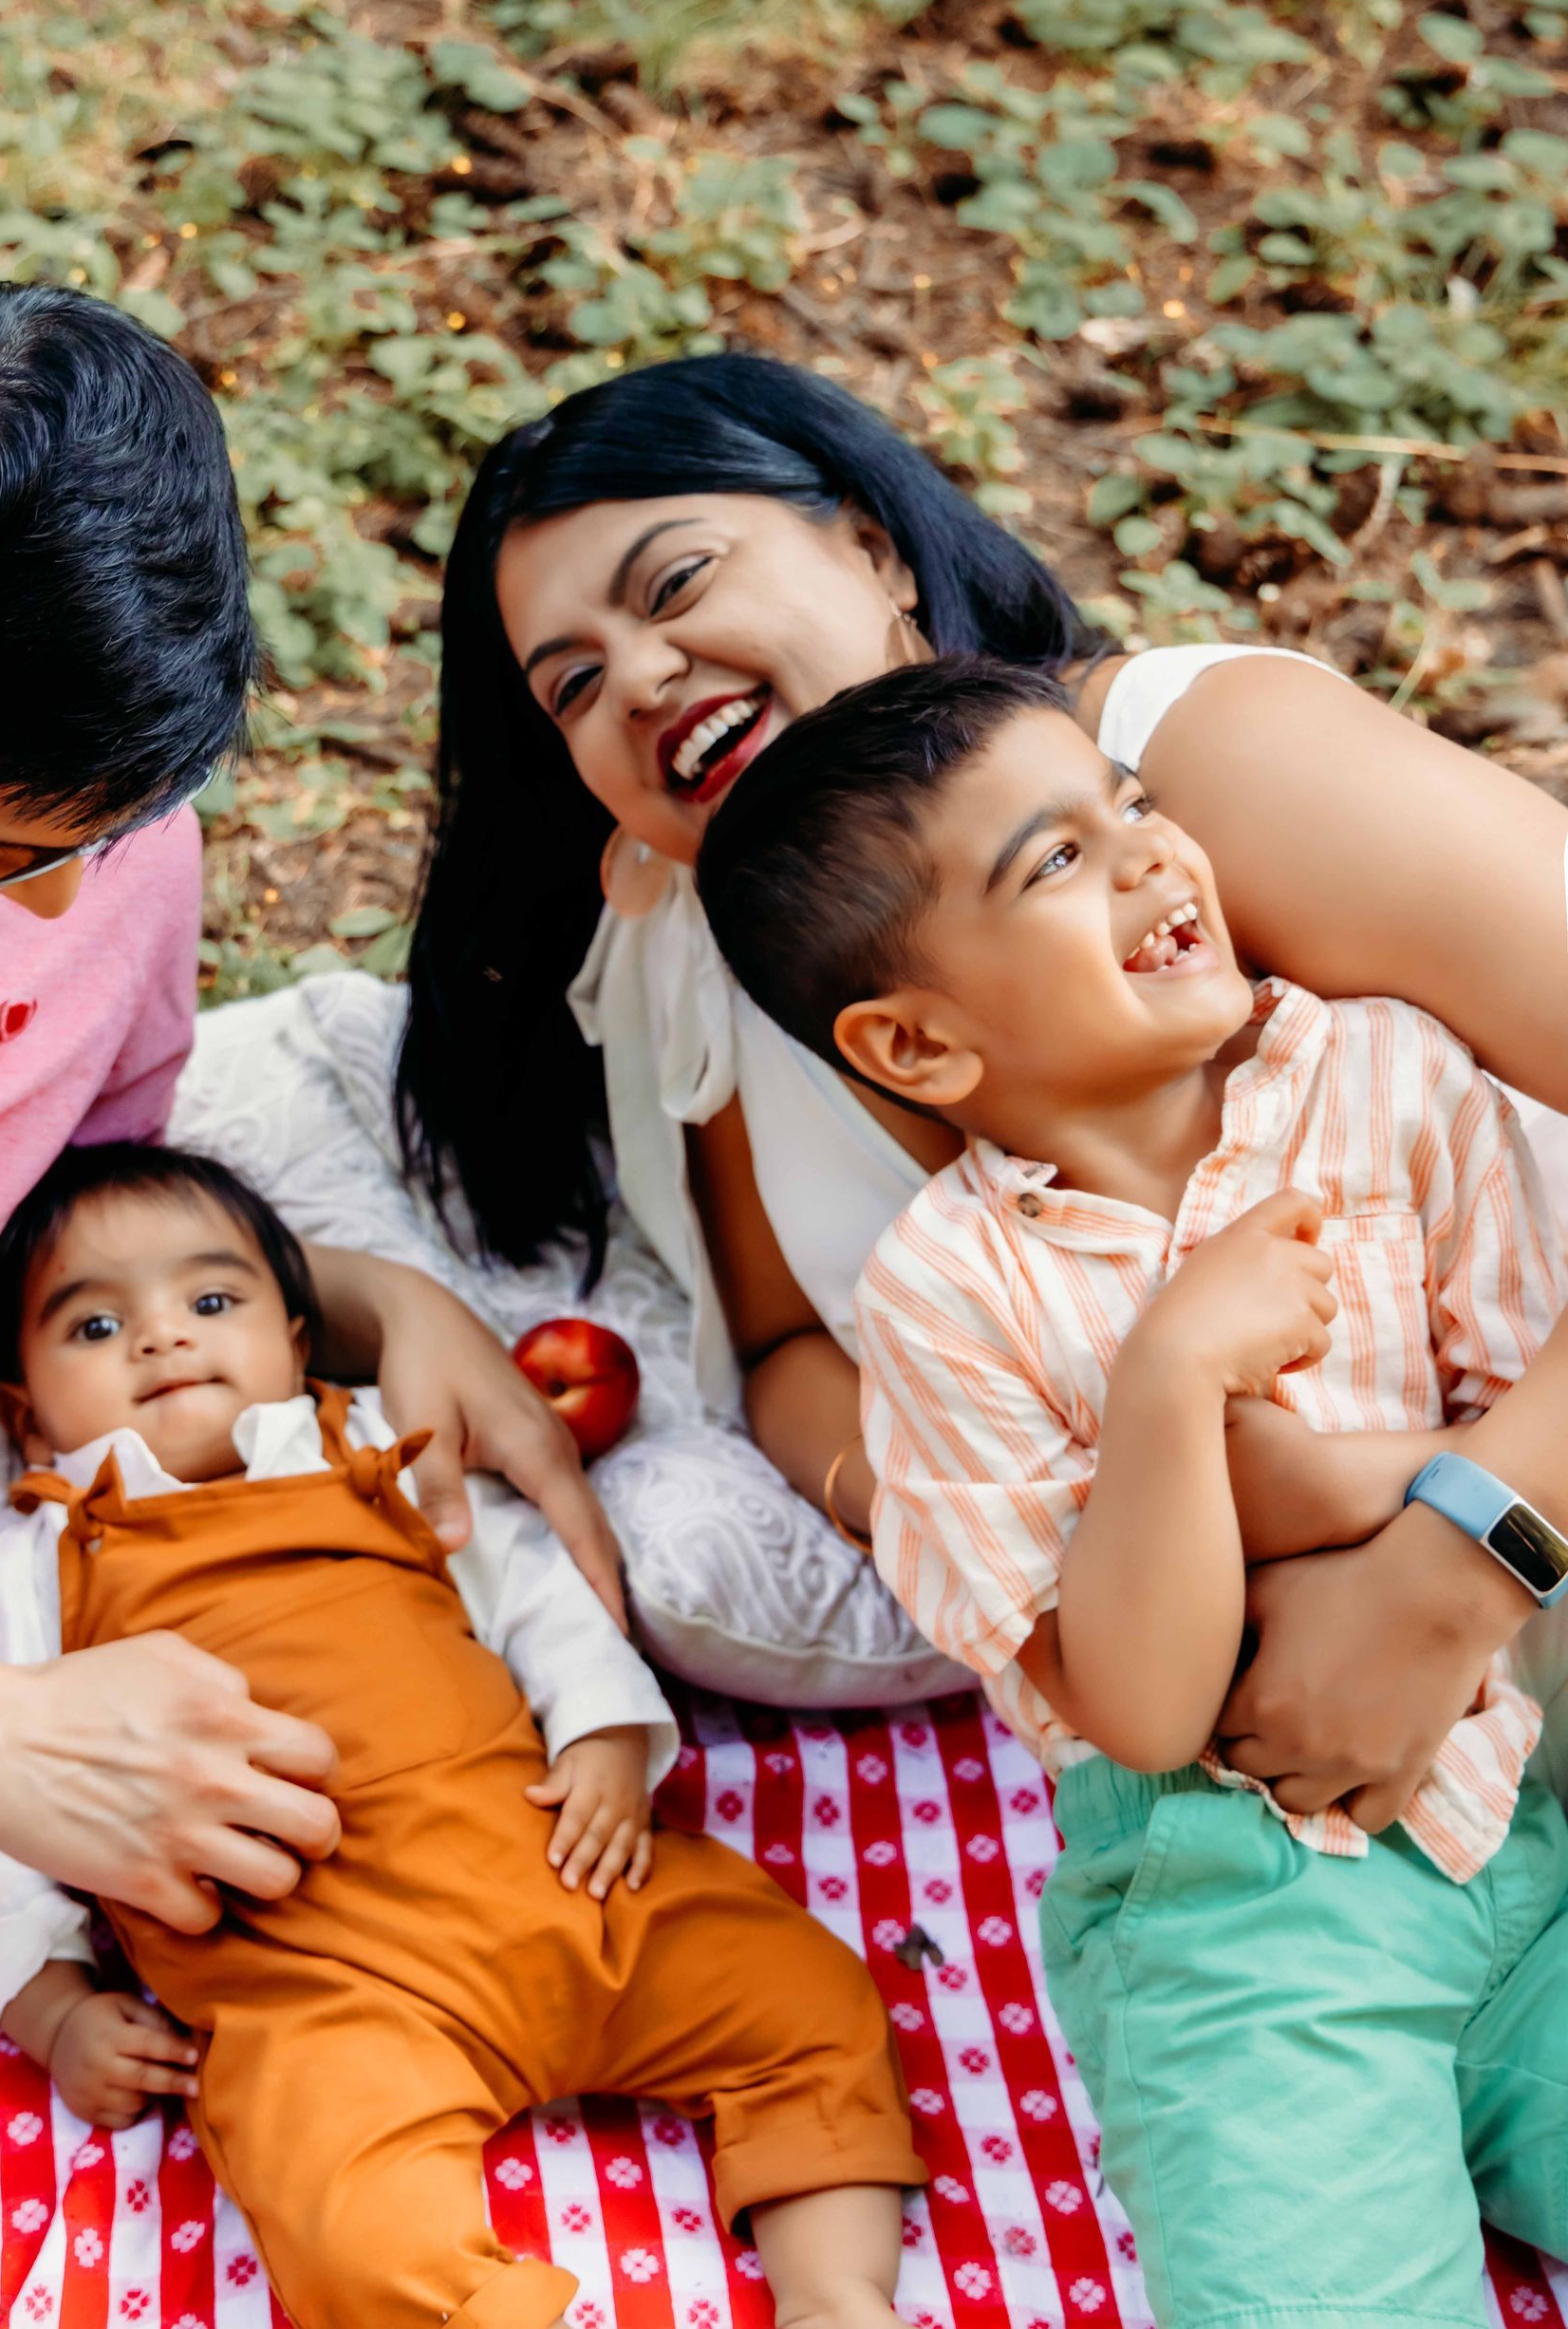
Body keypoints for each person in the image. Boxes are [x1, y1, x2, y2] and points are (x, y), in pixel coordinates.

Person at [399, 347, 1568, 1793]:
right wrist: (1039, 1551)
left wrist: (1460, 1565)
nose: (637, 677)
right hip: (1227, 1742)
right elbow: (786, 1353)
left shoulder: (1177, 780)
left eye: (676, 583)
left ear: (875, 549)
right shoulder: (713, 950)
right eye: (571, 682)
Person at [696, 655, 1568, 2328]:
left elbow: (1535, 1417)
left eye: (1140, 810)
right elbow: (1151, 1705)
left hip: (1518, 1834)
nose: (1158, 859)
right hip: (1236, 1930)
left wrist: (1314, 1481)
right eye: (1061, 859)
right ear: (914, 1040)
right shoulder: (944, 1293)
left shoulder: (1390, 1079)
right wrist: (1170, 1386)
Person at [0, 281, 612, 1924]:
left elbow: (63, 1176)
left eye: (109, 832)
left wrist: (356, 1298)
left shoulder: (97, 819)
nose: (61, 909)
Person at [0, 1141, 928, 2329]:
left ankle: (837, 2294)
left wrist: (600, 1732)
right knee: (329, 2203)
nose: (163, 1337)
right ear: (23, 1416)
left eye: (213, 1299)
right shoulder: (26, 1561)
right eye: (94, 1327)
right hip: (320, 1989)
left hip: (569, 1885)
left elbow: (537, 1590)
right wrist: (53, 2004)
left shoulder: (376, 1450)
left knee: (803, 1997)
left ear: (296, 1344)